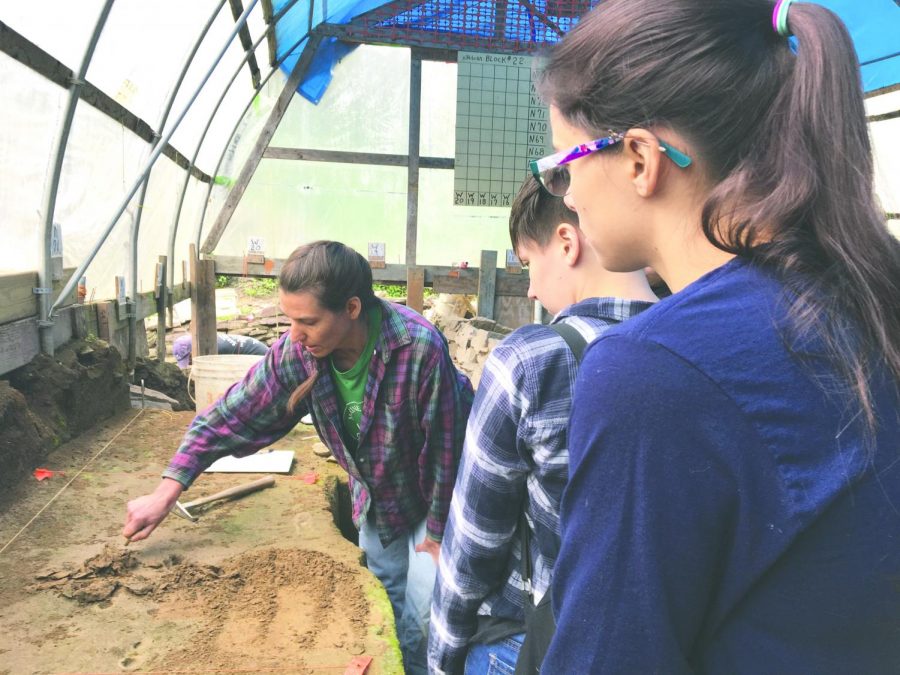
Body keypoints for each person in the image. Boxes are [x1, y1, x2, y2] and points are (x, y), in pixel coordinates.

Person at [531, 0, 900, 671]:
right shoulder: (869, 295)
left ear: (640, 157)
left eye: (565, 167)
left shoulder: (654, 370)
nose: (569, 196)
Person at [122, 241, 474, 675]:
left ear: (351, 308)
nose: (294, 334)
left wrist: (439, 537)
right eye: (290, 319)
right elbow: (230, 414)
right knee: (384, 603)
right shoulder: (300, 353)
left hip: (431, 503)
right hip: (375, 499)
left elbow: (445, 451)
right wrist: (166, 491)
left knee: (423, 618)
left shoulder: (417, 347)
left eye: (307, 321)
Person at [429, 175, 658, 674]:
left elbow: (474, 541)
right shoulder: (695, 342)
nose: (530, 286)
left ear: (567, 242)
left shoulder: (533, 361)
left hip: (535, 644)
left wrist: (442, 659)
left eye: (528, 263)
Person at [172, 332, 269, 369]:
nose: (189, 363)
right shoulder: (206, 338)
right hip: (254, 348)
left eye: (188, 359)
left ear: (192, 350)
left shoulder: (213, 349)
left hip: (256, 353)